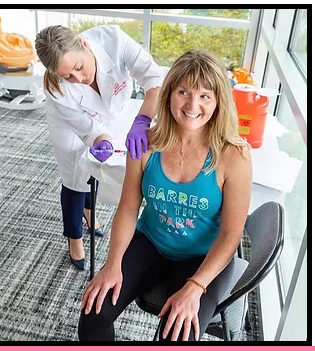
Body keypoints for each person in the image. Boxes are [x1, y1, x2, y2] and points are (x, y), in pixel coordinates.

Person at [77, 49, 252, 341]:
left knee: (178, 336)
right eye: (183, 92)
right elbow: (128, 208)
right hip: (151, 242)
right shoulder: (146, 143)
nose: (192, 105)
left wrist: (195, 287)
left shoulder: (235, 155)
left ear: (219, 101)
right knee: (94, 315)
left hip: (202, 257)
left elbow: (231, 234)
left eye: (204, 96)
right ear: (169, 93)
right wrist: (112, 263)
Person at [35, 25, 164, 270]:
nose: (79, 79)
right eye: (68, 77)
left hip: (109, 115)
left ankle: (89, 212)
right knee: (74, 178)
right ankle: (74, 238)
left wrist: (143, 119)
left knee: (94, 171)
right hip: (69, 126)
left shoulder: (114, 39)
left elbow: (154, 77)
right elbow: (86, 126)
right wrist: (99, 138)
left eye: (79, 67)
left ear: (84, 44)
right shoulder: (56, 88)